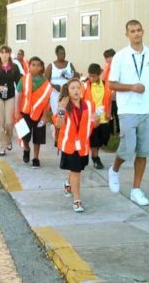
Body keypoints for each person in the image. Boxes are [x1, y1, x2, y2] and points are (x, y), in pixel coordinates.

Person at [107, 19, 149, 206]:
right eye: (132, 31)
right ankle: (114, 170)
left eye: (139, 30)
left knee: (144, 151)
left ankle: (136, 189)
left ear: (143, 32)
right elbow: (111, 84)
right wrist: (132, 87)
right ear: (127, 34)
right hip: (127, 109)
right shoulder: (120, 57)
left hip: (147, 110)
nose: (136, 33)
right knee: (127, 148)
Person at [54, 78, 98, 212]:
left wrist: (96, 119)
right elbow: (59, 125)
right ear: (68, 91)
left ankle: (68, 184)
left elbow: (94, 123)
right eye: (72, 88)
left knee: (76, 169)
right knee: (76, 171)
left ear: (82, 89)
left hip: (83, 145)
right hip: (69, 144)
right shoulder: (64, 106)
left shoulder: (89, 105)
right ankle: (77, 200)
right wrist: (61, 109)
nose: (76, 91)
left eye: (78, 88)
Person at [15, 57, 53, 168]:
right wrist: (17, 111)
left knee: (38, 136)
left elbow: (47, 101)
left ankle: (36, 158)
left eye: (38, 65)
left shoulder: (46, 83)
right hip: (25, 111)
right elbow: (19, 95)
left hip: (40, 113)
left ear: (41, 67)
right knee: (25, 135)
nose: (35, 67)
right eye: (33, 65)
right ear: (29, 66)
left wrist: (45, 116)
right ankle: (26, 148)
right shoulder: (24, 79)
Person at [0, 45, 22, 156]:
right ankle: (2, 146)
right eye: (2, 52)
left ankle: (8, 139)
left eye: (6, 52)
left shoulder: (15, 67)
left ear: (9, 54)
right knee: (0, 123)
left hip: (10, 97)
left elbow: (19, 84)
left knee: (9, 122)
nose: (4, 54)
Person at [82, 63, 112, 170]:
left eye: (94, 76)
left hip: (104, 118)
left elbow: (109, 100)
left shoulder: (105, 85)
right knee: (94, 140)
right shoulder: (85, 86)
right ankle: (96, 158)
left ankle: (95, 154)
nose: (92, 78)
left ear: (99, 74)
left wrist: (109, 112)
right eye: (90, 76)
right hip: (92, 119)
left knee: (104, 138)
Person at [45, 45, 79, 115]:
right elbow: (46, 81)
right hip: (55, 93)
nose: (63, 55)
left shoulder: (69, 64)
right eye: (61, 53)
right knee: (58, 112)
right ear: (56, 54)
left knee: (68, 112)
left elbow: (75, 78)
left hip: (68, 92)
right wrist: (54, 86)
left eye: (64, 53)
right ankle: (58, 125)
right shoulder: (51, 66)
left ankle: (66, 125)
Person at [103, 48, 119, 134]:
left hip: (115, 92)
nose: (106, 59)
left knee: (116, 112)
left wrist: (115, 91)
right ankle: (111, 130)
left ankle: (119, 129)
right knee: (110, 111)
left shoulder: (117, 66)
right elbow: (104, 78)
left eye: (107, 57)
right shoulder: (107, 66)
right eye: (105, 58)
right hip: (108, 92)